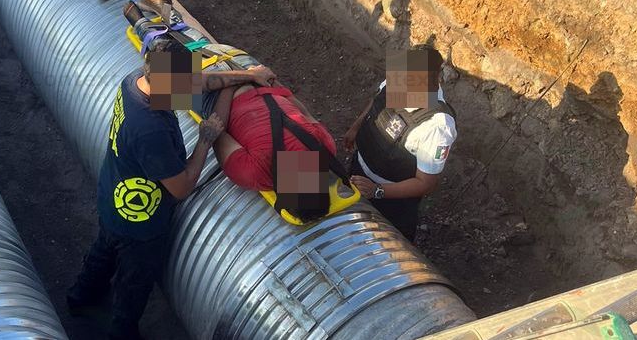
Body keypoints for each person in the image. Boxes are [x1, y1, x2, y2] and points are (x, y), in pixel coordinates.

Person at [66, 39, 275, 340]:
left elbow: (200, 82)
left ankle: (80, 297)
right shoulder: (150, 129)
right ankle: (121, 331)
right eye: (182, 87)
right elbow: (182, 187)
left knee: (104, 249)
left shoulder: (136, 80)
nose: (188, 92)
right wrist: (206, 139)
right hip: (140, 222)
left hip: (112, 196)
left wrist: (247, 75)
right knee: (134, 283)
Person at [342, 44, 457, 241]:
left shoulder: (437, 125)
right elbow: (377, 101)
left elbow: (426, 183)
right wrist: (356, 127)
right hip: (359, 173)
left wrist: (377, 191)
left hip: (391, 203)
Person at [208, 82, 337, 191]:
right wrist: (233, 81)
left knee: (191, 64)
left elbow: (303, 112)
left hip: (258, 84)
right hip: (228, 91)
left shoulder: (326, 150)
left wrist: (270, 81)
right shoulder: (254, 173)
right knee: (188, 91)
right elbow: (217, 132)